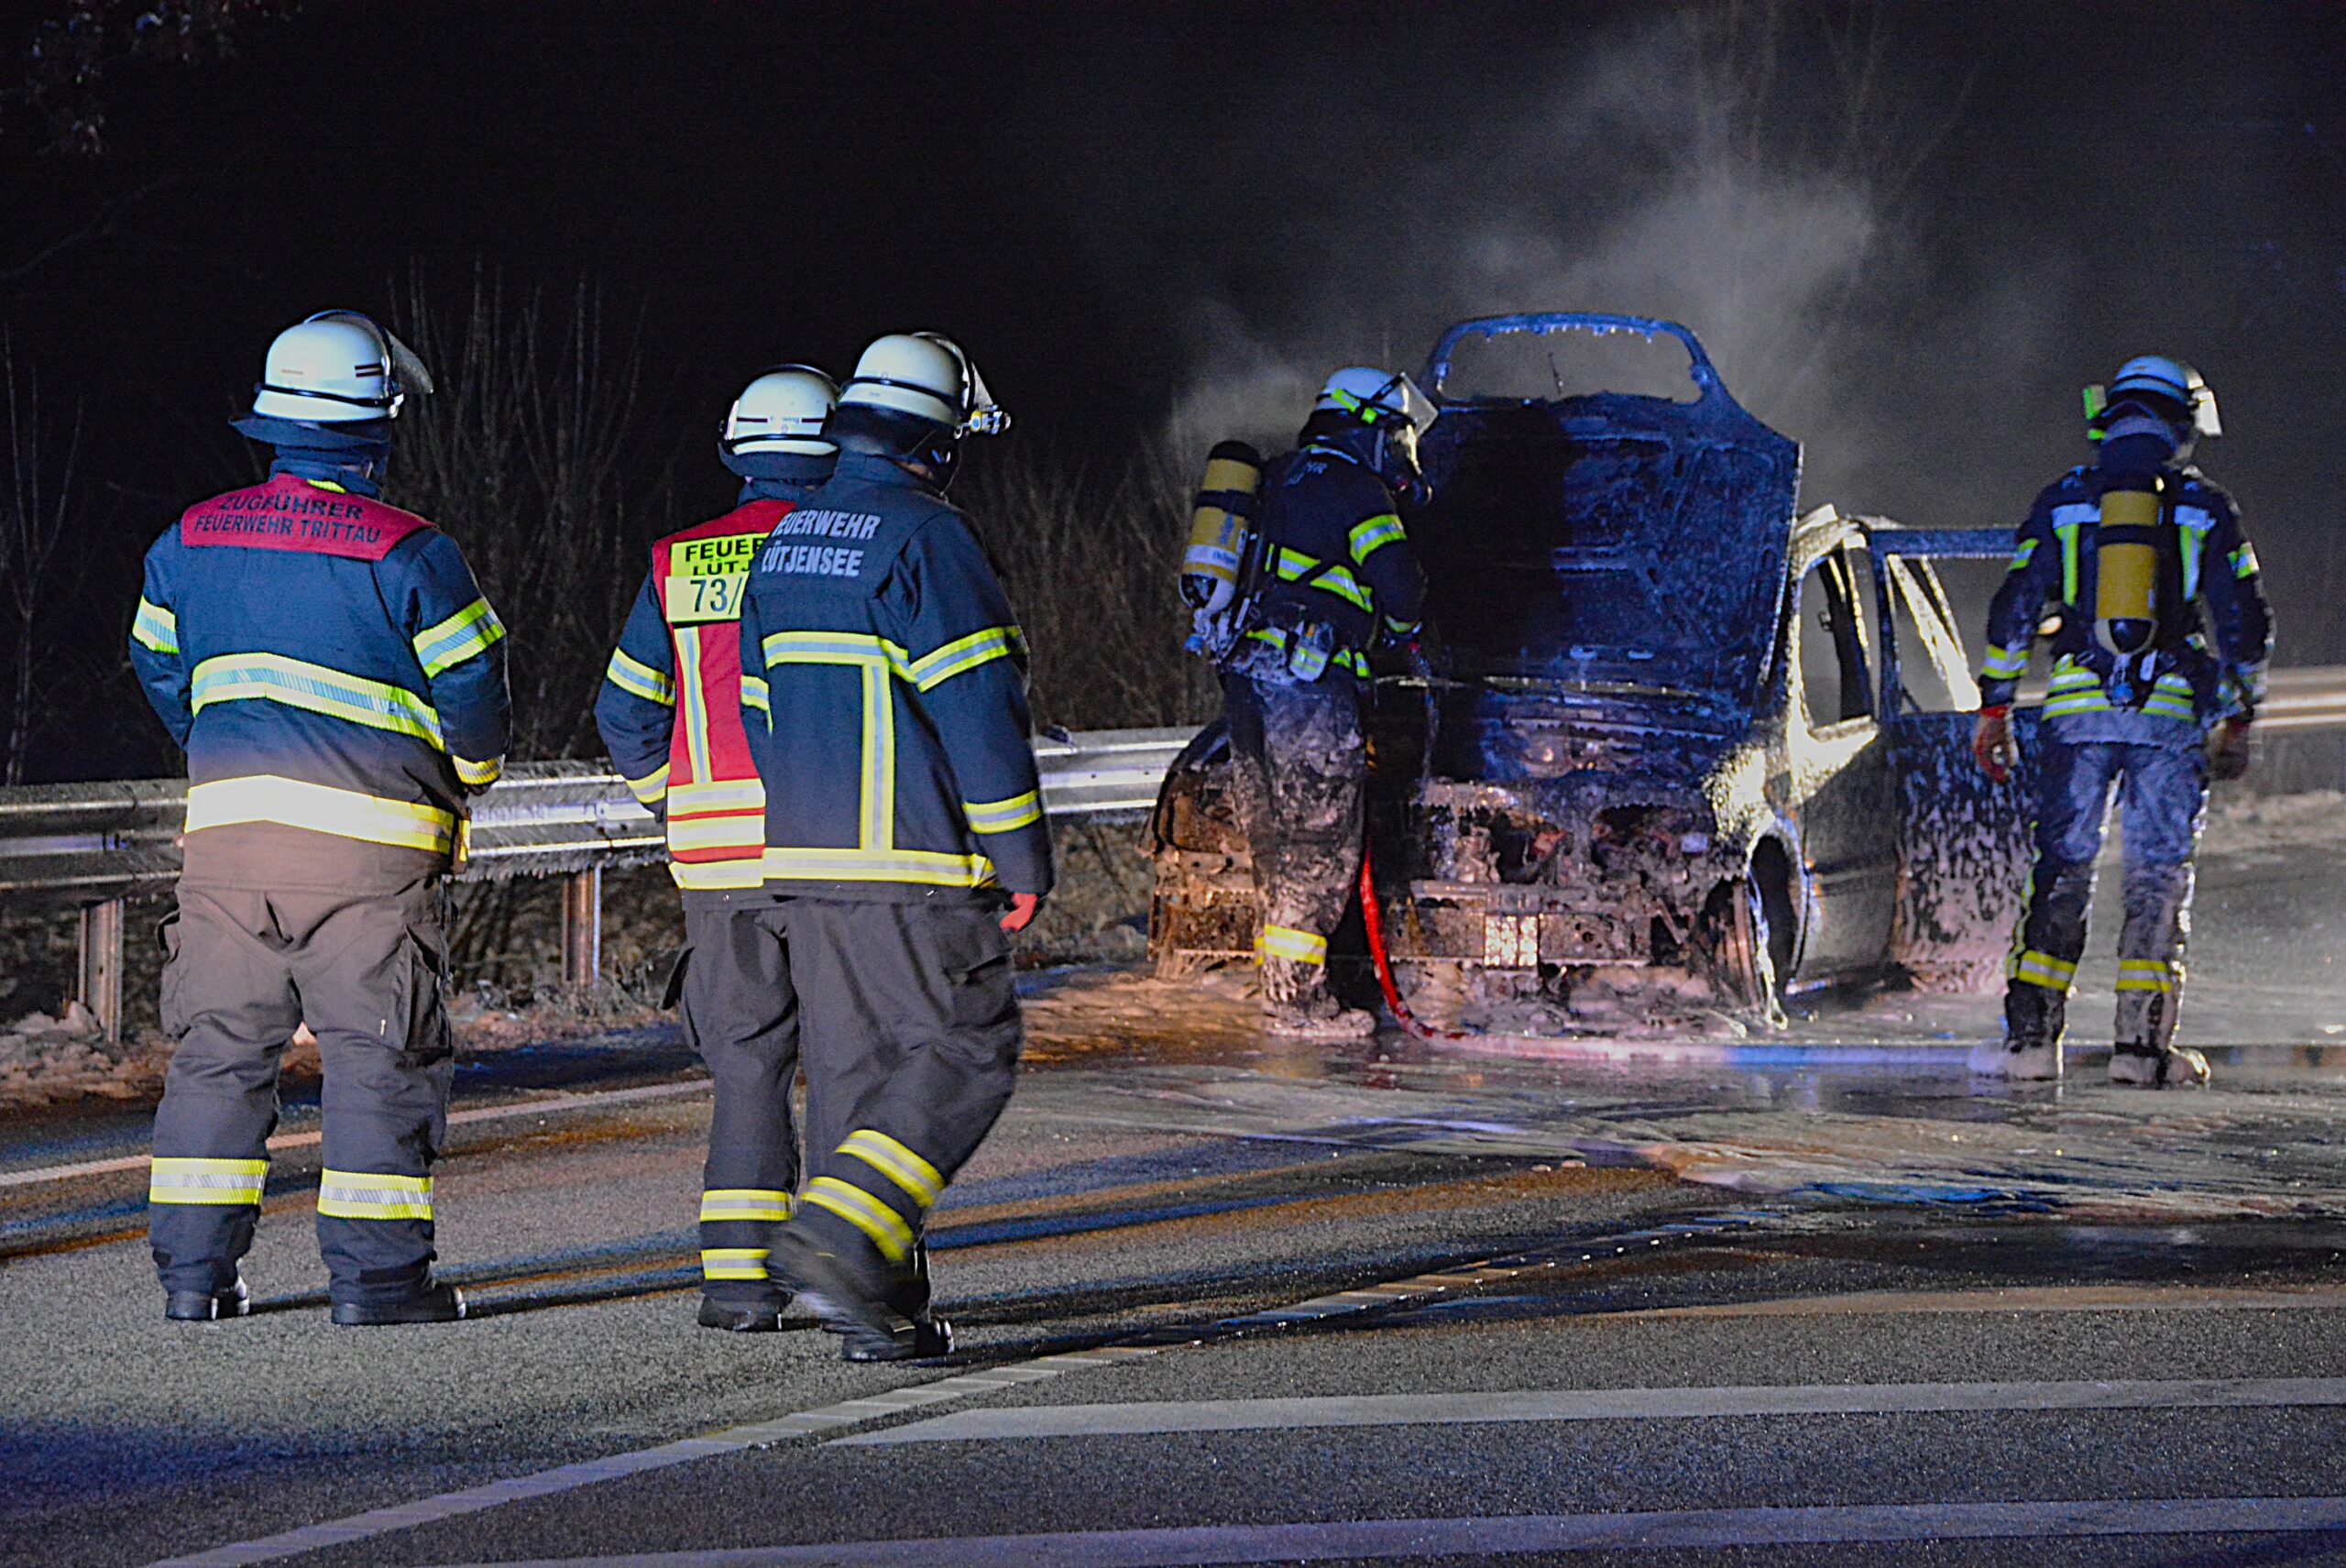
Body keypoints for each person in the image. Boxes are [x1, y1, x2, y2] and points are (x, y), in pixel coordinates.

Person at [127, 310, 510, 1322]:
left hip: (227, 852)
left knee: (219, 1054)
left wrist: (224, 752)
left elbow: (160, 668)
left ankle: (193, 1281)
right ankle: (378, 1283)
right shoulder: (413, 553)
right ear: (376, 426)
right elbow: (476, 692)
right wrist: (467, 772)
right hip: (368, 864)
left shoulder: (188, 539)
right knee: (378, 1056)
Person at [732, 332, 1046, 1360]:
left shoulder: (782, 542)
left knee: (859, 1078)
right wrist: (1022, 858)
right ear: (939, 441)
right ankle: (836, 1235)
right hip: (912, 868)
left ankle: (875, 1307)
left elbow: (756, 707)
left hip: (808, 862)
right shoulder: (928, 538)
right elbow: (979, 711)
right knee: (964, 1046)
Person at [594, 366, 839, 1332]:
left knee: (746, 1069)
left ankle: (737, 1285)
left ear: (738, 453)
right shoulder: (849, 547)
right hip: (835, 851)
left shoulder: (678, 561)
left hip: (716, 863)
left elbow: (623, 710)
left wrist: (677, 799)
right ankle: (844, 1275)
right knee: (849, 1064)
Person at [1969, 355, 2271, 1087]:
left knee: (2064, 870)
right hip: (2169, 721)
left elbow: (2014, 611)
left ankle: (2031, 1046)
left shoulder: (2066, 500)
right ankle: (2141, 1054)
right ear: (2180, 422)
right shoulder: (2205, 508)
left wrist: (1995, 705)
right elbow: (2246, 624)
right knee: (2156, 876)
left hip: (2076, 717)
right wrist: (2238, 712)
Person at [1221, 367, 1430, 1037]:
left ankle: (1283, 984)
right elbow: (1402, 589)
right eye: (1395, 434)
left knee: (1275, 841)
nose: (1399, 449)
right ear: (1365, 425)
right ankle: (1298, 1004)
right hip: (1308, 685)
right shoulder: (1356, 487)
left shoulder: (1278, 476)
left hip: (1247, 686)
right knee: (1319, 843)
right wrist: (1398, 637)